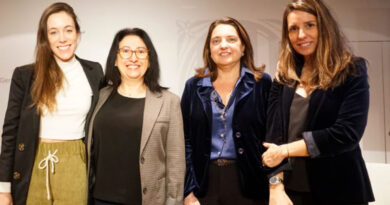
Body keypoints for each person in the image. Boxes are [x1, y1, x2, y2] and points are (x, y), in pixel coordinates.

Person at [262, 0, 375, 204]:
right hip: (290, 193)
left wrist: (285, 150)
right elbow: (273, 135)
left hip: (340, 190)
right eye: (293, 28)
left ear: (324, 27)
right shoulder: (283, 77)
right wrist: (275, 186)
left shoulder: (351, 70)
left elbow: (347, 134)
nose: (301, 35)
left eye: (309, 25)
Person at [0, 2, 104, 205]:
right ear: (45, 38)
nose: (62, 38)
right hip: (33, 163)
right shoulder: (25, 75)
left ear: (77, 33)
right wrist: (4, 188)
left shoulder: (95, 72)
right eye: (54, 32)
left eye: (68, 30)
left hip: (76, 164)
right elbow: (10, 132)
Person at [86, 28, 185, 205]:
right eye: (125, 51)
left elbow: (176, 162)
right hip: (100, 200)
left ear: (149, 60)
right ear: (115, 60)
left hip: (147, 200)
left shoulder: (169, 102)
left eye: (140, 52)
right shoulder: (99, 96)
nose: (133, 58)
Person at [181, 17, 271, 205]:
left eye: (231, 39)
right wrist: (187, 192)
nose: (223, 45)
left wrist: (274, 184)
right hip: (203, 184)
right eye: (216, 41)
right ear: (209, 49)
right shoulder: (194, 86)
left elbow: (272, 136)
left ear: (243, 46)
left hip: (249, 183)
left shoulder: (262, 84)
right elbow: (184, 142)